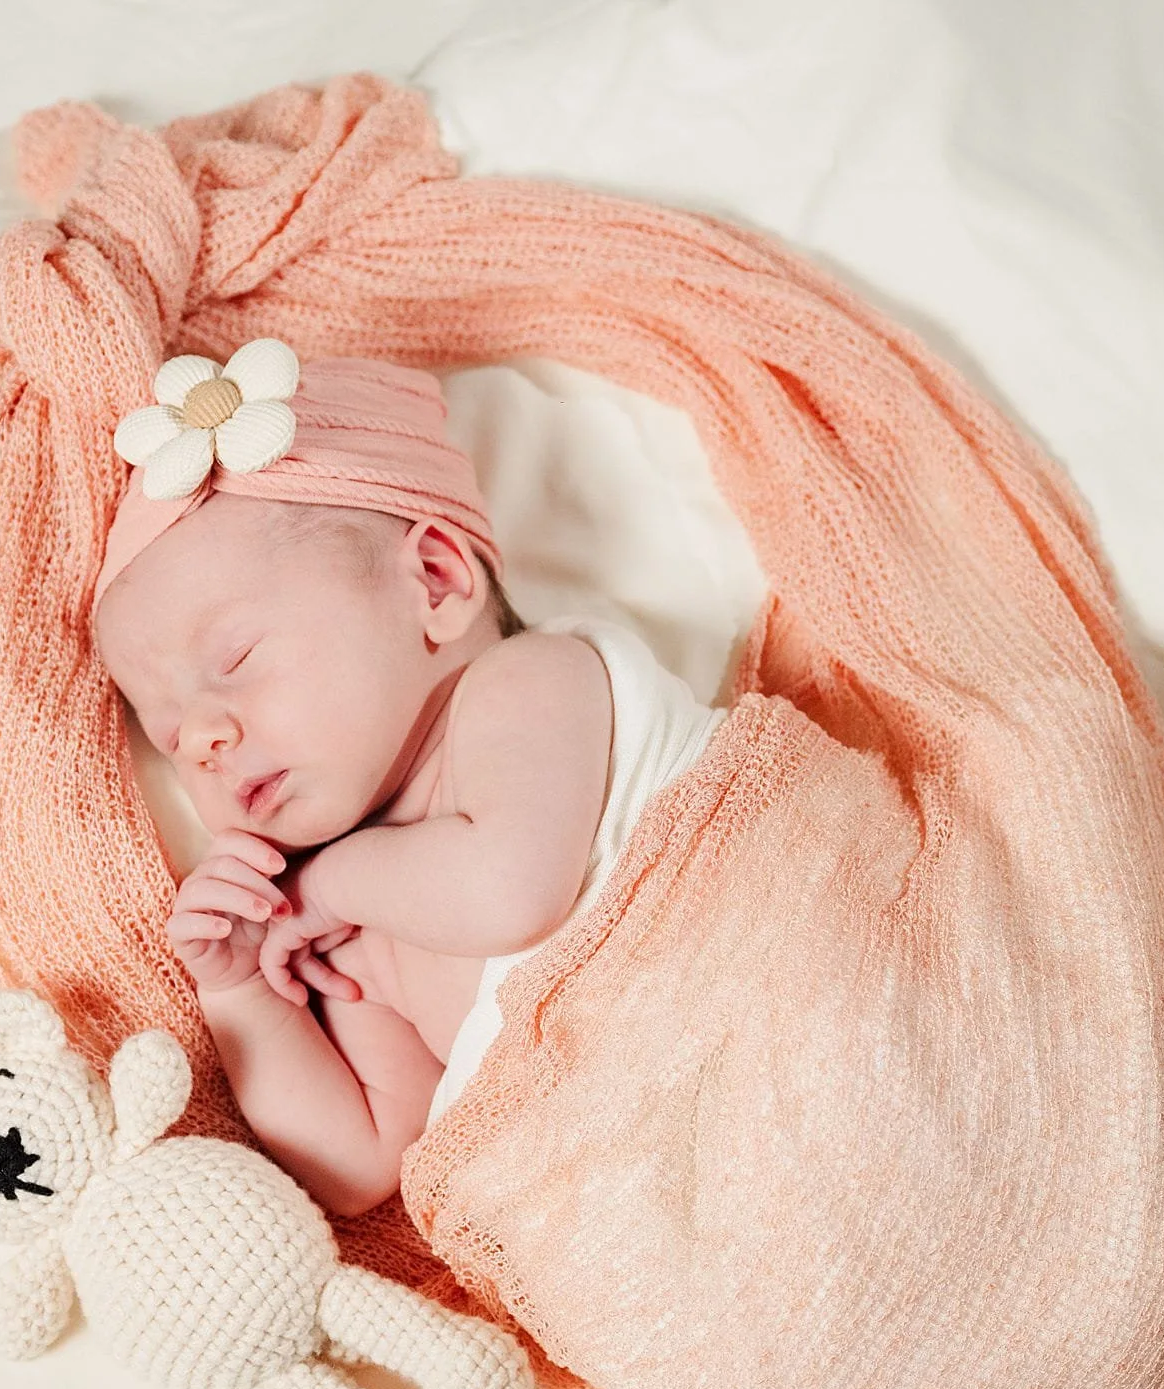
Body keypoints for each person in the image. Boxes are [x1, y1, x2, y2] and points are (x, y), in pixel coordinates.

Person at [89, 344, 723, 1218]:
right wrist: (240, 994)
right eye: (167, 732)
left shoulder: (529, 684)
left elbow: (510, 890)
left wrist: (335, 888)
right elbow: (358, 1164)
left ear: (435, 580)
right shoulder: (345, 934)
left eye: (235, 659)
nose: (200, 738)